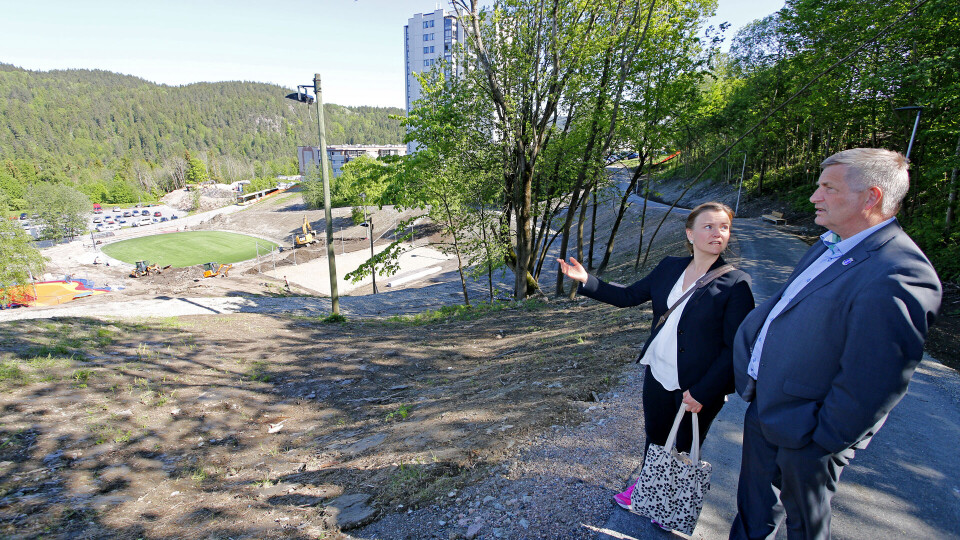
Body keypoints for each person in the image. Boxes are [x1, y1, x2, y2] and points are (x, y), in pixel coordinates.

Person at [728, 148, 942, 540]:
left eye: (828, 187)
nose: (814, 196)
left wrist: (820, 442)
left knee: (804, 528)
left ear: (871, 197)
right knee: (752, 514)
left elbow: (875, 380)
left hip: (808, 432)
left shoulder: (900, 271)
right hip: (767, 408)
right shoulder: (829, 243)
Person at [558, 201, 755, 515]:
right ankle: (649, 489)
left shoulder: (735, 284)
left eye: (724, 227)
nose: (717, 234)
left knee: (682, 447)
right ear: (690, 234)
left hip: (698, 385)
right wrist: (586, 281)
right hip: (659, 373)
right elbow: (629, 297)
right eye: (708, 226)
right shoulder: (669, 267)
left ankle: (668, 507)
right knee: (655, 437)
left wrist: (704, 392)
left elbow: (736, 349)